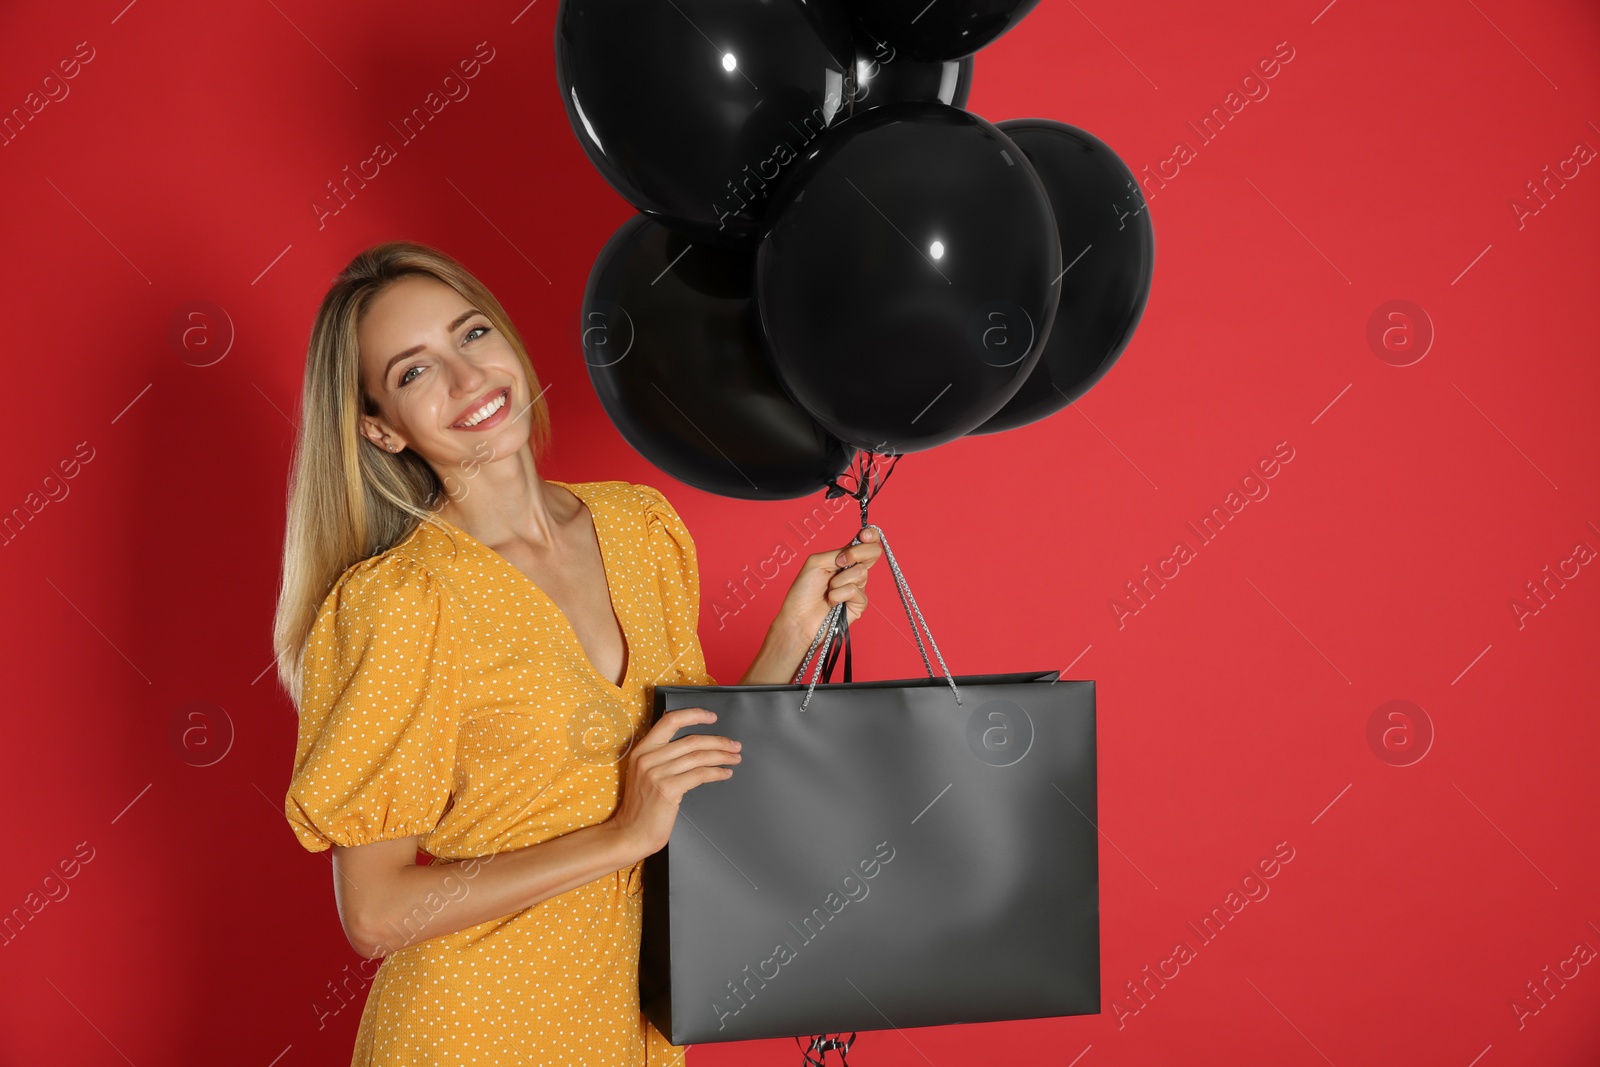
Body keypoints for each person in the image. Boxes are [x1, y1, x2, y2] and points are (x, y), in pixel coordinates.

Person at [272, 241, 882, 1066]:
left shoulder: (640, 527)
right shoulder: (402, 602)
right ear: (381, 428)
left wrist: (790, 637)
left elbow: (692, 770)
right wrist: (622, 835)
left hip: (626, 1029)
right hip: (474, 1035)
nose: (466, 379)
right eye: (414, 373)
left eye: (472, 334)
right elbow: (374, 913)